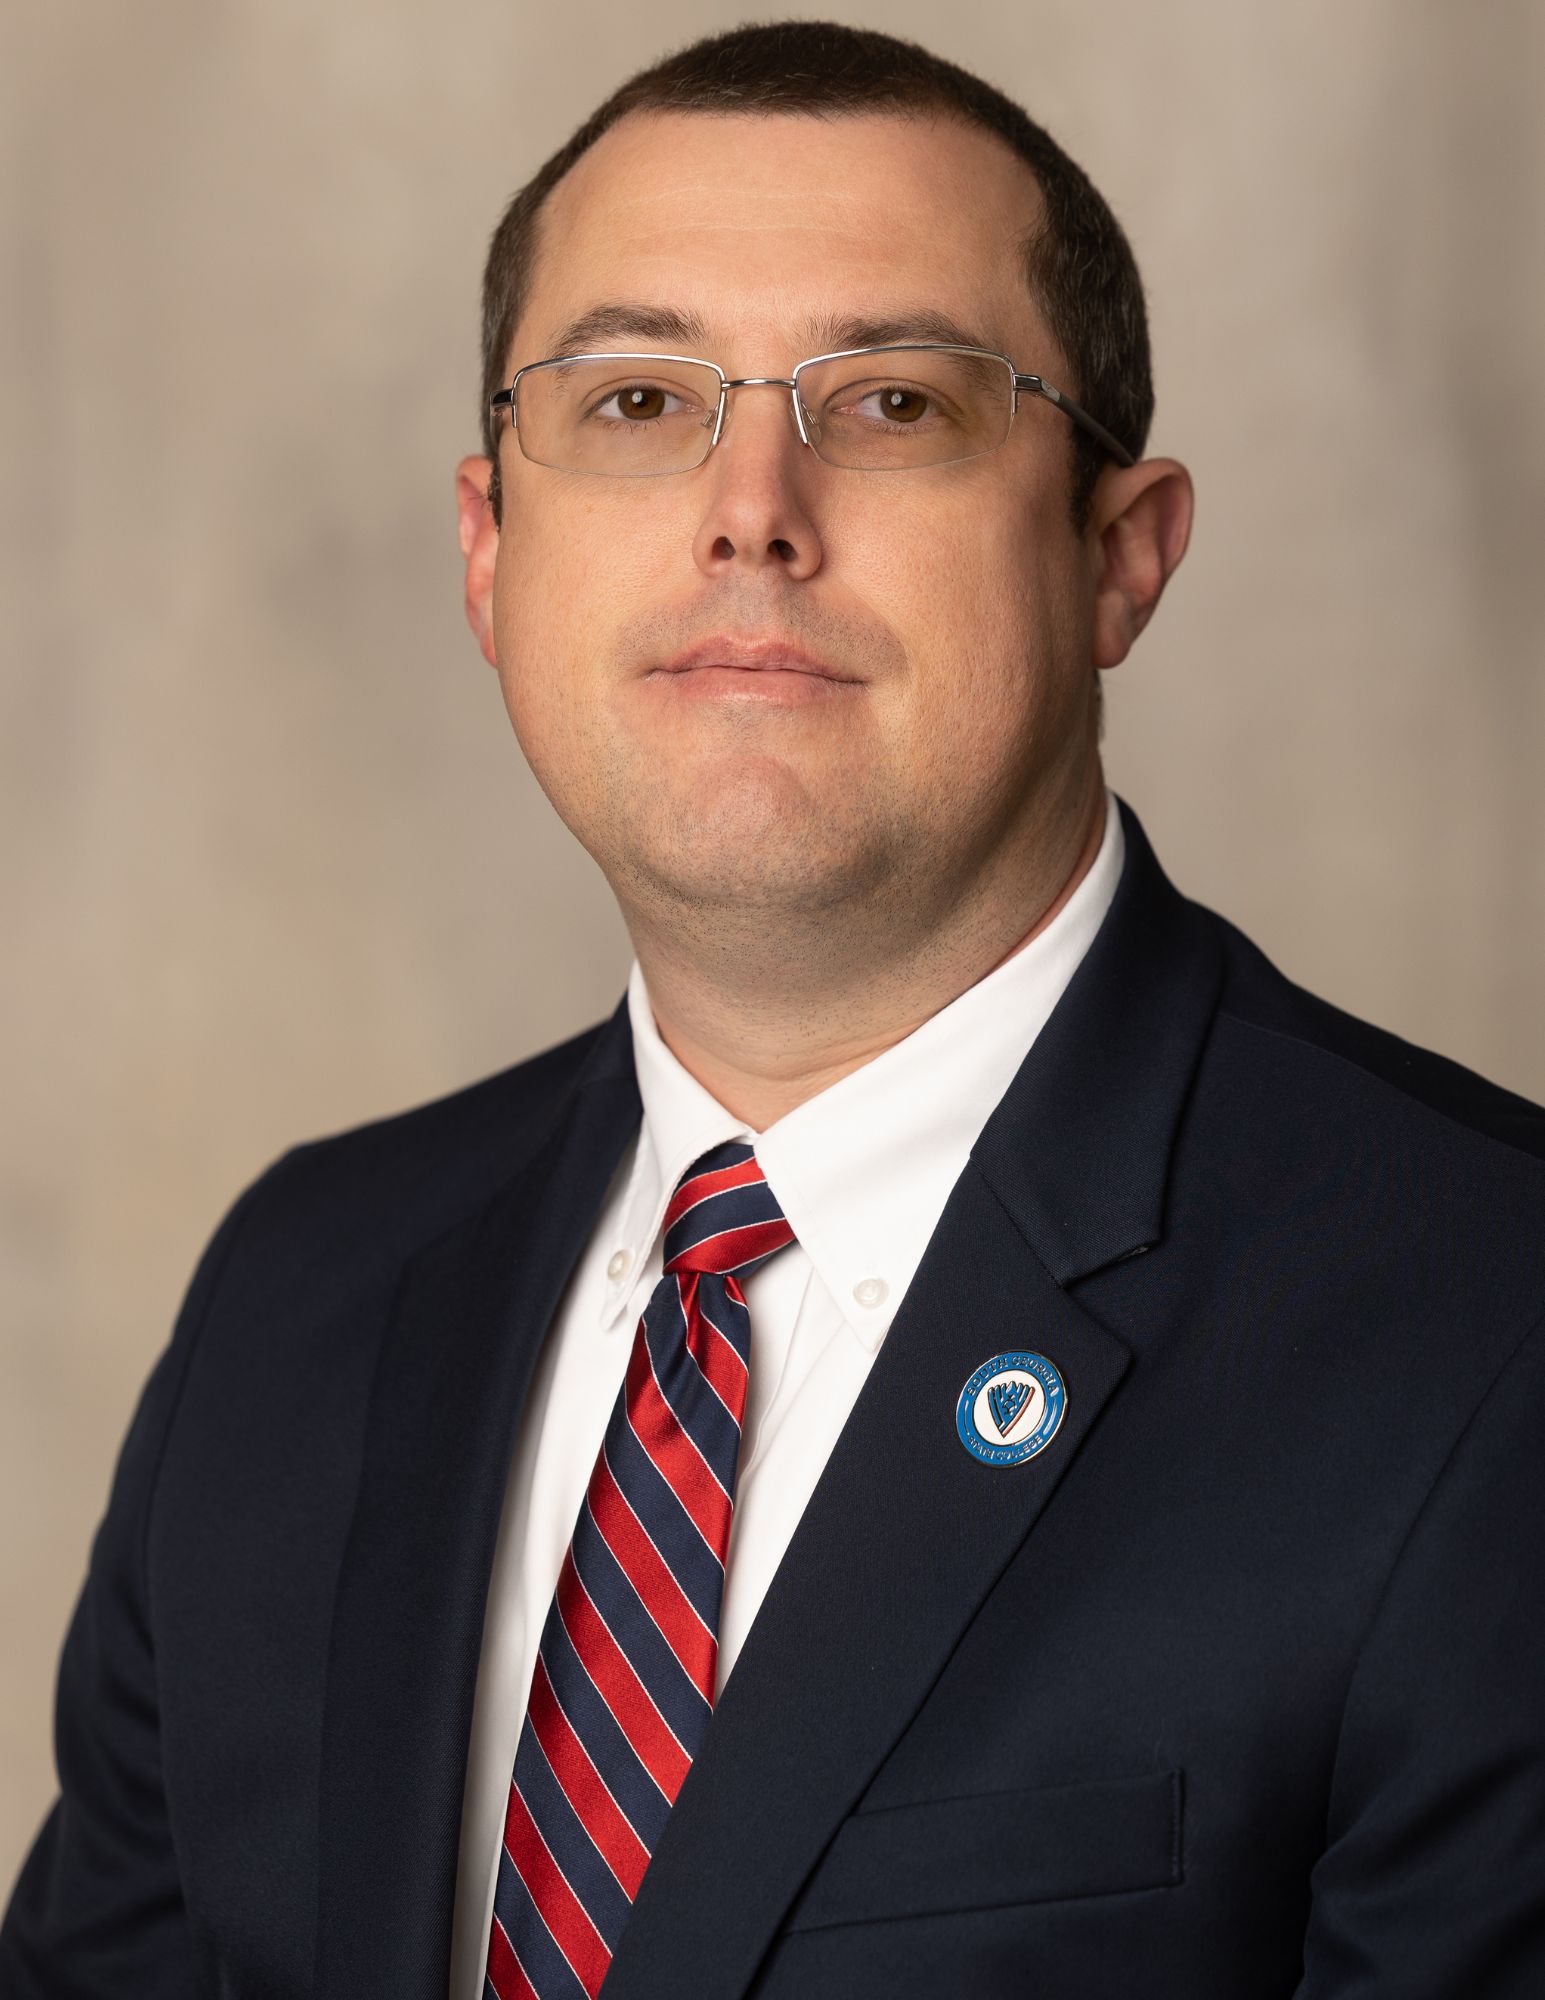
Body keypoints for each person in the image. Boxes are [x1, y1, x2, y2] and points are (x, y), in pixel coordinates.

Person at [4, 18, 1543, 1999]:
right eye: (636, 399)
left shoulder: (1487, 1329)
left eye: (891, 402)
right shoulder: (304, 1292)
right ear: (488, 552)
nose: (750, 506)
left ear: (1115, 558)